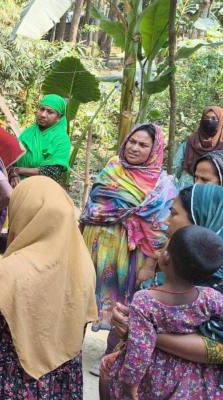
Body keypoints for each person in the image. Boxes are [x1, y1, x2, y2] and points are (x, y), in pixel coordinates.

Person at [0, 176, 97, 399]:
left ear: (22, 213)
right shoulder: (83, 266)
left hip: (16, 382)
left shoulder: (7, 274)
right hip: (65, 380)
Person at [80, 124, 177, 356]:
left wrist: (150, 265)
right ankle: (71, 353)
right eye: (132, 142)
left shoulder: (161, 185)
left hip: (129, 256)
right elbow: (91, 207)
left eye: (143, 145)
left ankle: (111, 360)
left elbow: (161, 229)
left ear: (154, 150)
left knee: (123, 307)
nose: (134, 148)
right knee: (81, 297)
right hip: (94, 247)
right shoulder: (113, 167)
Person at [103, 226, 223, 400]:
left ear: (165, 257)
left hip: (155, 375)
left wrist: (131, 384)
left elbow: (139, 353)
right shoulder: (211, 297)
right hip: (192, 378)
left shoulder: (144, 300)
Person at [111, 184, 223, 369]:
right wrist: (127, 319)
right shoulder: (174, 260)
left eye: (173, 213)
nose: (166, 222)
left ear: (199, 217)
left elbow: (219, 349)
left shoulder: (216, 281)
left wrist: (141, 331)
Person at [11, 94, 71, 186]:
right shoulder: (29, 132)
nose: (43, 115)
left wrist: (18, 170)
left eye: (50, 112)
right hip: (16, 182)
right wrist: (13, 175)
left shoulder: (62, 139)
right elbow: (12, 158)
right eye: (42, 109)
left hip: (42, 187)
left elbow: (52, 172)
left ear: (59, 117)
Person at [172, 106, 223, 188]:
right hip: (186, 185)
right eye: (206, 118)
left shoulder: (221, 143)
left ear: (220, 121)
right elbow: (176, 166)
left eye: (214, 118)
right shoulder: (191, 140)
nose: (209, 121)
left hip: (214, 189)